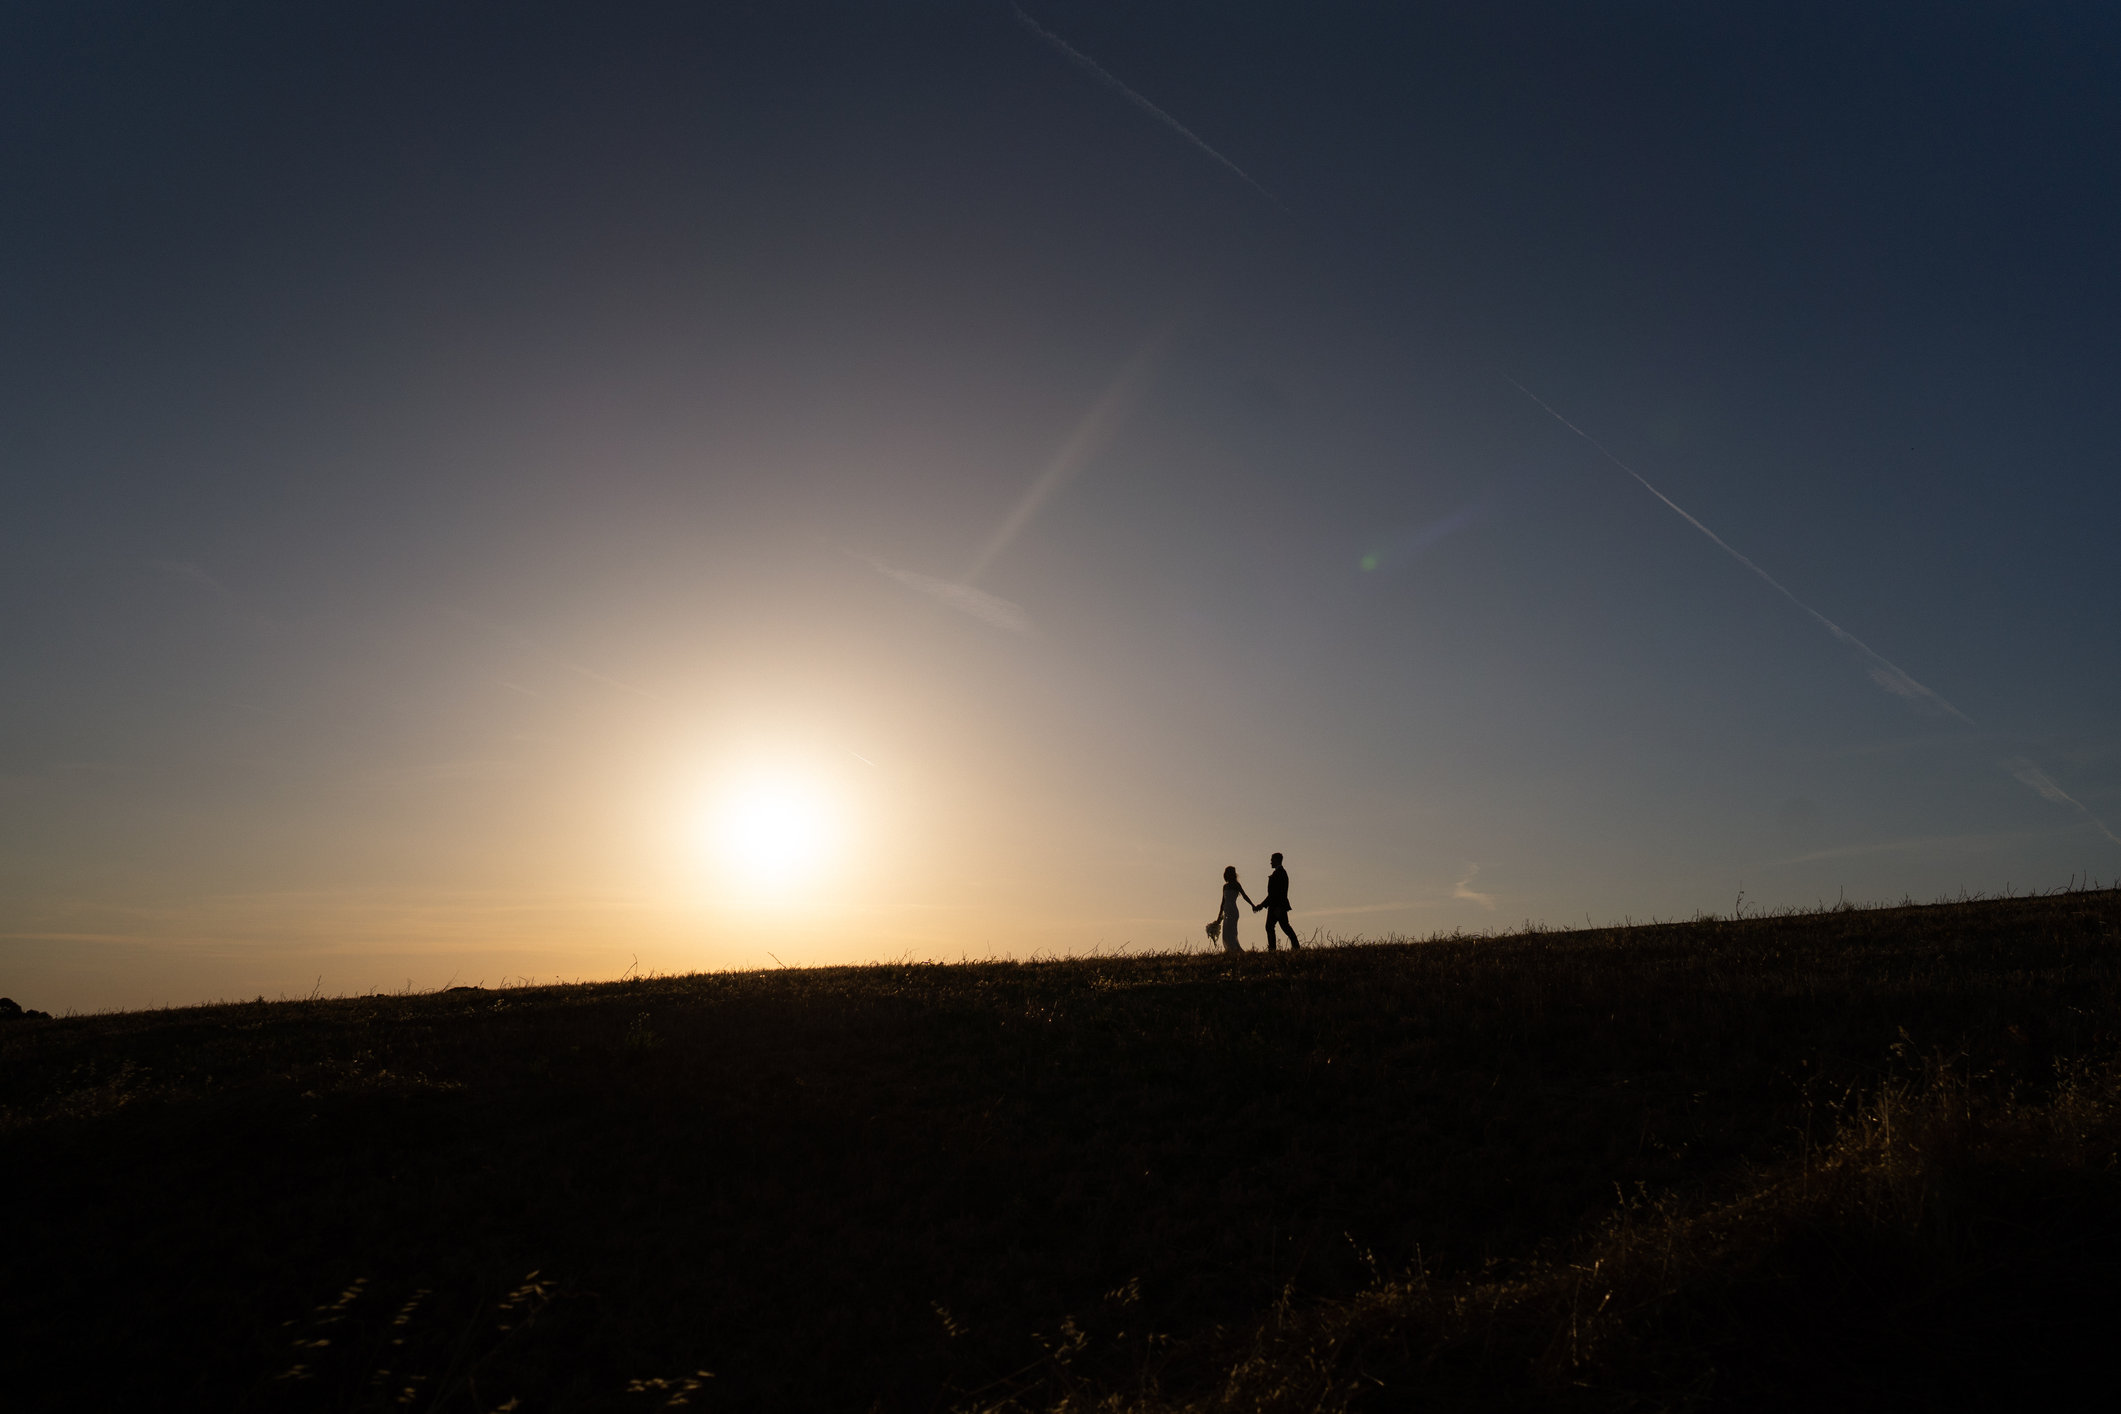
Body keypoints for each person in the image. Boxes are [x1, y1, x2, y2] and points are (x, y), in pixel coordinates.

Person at [1253, 851, 1299, 951]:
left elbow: (1277, 893)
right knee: (1283, 926)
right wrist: (1262, 905)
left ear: (1277, 860)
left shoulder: (1280, 873)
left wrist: (1263, 906)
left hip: (1276, 906)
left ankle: (1273, 949)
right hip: (1277, 905)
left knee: (1272, 926)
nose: (1270, 862)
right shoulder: (1280, 872)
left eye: (1272, 860)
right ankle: (1294, 947)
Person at [1214, 865, 1255, 954]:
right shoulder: (1225, 886)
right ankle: (1230, 950)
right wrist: (1219, 917)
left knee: (1232, 932)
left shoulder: (1236, 885)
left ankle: (1234, 950)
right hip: (1226, 911)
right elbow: (1223, 902)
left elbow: (1244, 896)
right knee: (1226, 932)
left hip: (1233, 911)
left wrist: (1252, 905)